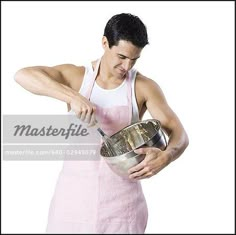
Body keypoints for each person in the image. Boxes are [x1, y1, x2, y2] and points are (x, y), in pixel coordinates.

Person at [14, 13, 189, 234]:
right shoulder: (77, 77)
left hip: (123, 207)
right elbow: (23, 75)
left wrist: (167, 156)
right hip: (72, 203)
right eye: (122, 56)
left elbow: (179, 133)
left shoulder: (144, 87)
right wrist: (72, 97)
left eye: (134, 59)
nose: (127, 66)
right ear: (105, 43)